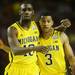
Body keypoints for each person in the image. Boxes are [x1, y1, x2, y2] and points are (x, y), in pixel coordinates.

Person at [4, 1, 40, 75]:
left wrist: (63, 27)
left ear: (33, 12)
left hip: (33, 68)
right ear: (20, 12)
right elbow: (15, 51)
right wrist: (35, 48)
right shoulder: (13, 29)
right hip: (16, 69)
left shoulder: (37, 26)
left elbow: (52, 31)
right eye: (24, 10)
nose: (27, 12)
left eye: (29, 10)